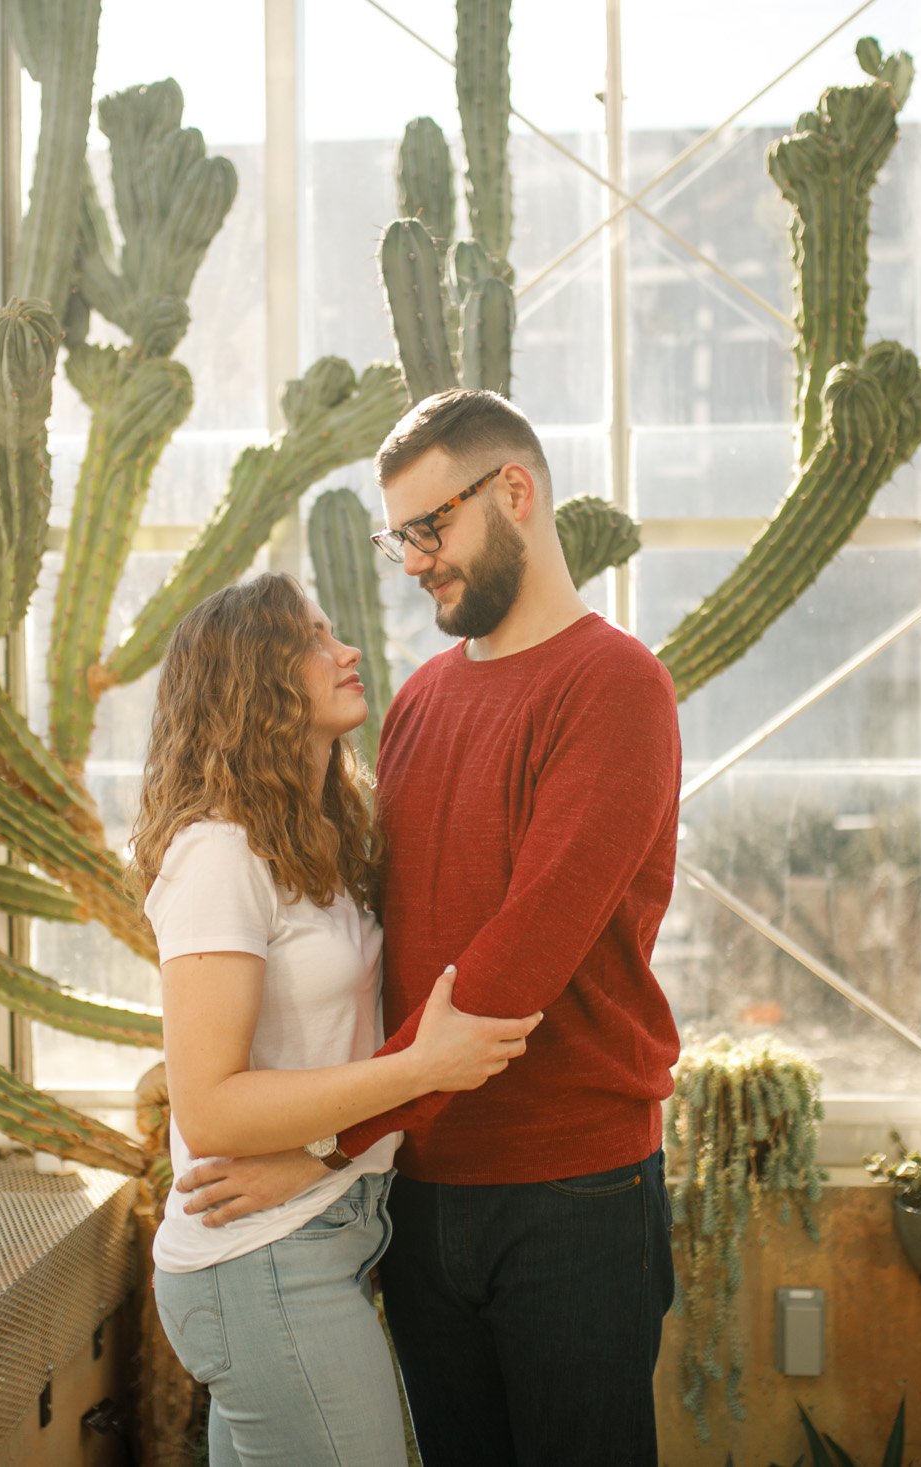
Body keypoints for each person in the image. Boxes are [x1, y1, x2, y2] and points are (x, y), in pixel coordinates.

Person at [175, 390, 686, 1465]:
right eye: (396, 535)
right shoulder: (417, 706)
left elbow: (512, 969)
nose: (412, 561)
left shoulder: (616, 687)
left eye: (430, 526)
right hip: (418, 1190)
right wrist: (359, 1149)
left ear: (515, 493)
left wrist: (320, 1147)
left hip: (569, 1195)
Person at [130, 571, 543, 1467]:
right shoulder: (219, 854)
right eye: (316, 640)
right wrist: (420, 1069)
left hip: (320, 1233)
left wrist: (328, 1150)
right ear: (256, 682)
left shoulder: (317, 836)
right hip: (262, 1264)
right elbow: (210, 1110)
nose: (348, 650)